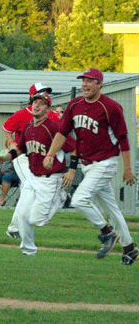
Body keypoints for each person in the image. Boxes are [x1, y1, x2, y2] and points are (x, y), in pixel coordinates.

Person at [44, 68, 139, 265]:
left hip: (105, 163)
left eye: (90, 80)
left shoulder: (111, 107)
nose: (85, 84)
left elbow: (123, 139)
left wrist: (128, 168)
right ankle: (130, 249)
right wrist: (51, 153)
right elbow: (62, 133)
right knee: (112, 210)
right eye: (83, 80)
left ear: (99, 84)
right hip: (87, 165)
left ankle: (107, 232)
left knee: (79, 199)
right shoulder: (74, 104)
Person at [0, 92, 76, 255]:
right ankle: (28, 250)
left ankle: (61, 198)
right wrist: (7, 157)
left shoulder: (54, 127)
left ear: (48, 108)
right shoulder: (29, 126)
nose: (36, 105)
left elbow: (73, 148)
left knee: (37, 220)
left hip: (50, 179)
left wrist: (71, 172)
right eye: (34, 102)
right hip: (33, 177)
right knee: (23, 215)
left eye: (41, 103)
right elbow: (20, 149)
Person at [2, 82, 59, 239]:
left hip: (39, 158)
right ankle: (15, 226)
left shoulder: (51, 114)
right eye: (41, 92)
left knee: (28, 190)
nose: (45, 94)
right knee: (30, 186)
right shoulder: (22, 113)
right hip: (21, 157)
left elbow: (60, 132)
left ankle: (15, 227)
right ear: (32, 96)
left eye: (46, 92)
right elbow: (7, 128)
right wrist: (10, 141)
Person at [0, 141, 20, 206]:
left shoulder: (18, 153)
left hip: (15, 174)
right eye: (9, 143)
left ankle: (2, 198)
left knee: (6, 177)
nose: (10, 144)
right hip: (2, 172)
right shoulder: (3, 152)